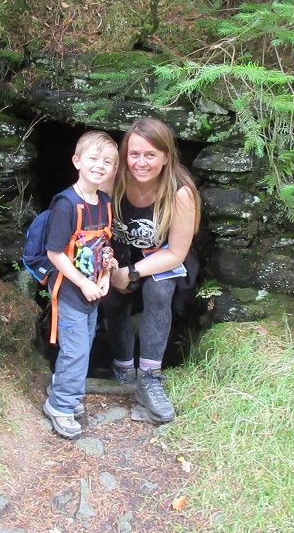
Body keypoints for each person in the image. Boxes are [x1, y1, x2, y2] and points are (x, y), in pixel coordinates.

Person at [101, 118, 201, 423]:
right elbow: (92, 223)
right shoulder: (113, 179)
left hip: (161, 257)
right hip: (118, 252)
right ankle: (123, 368)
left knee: (159, 292)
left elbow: (176, 253)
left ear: (166, 157)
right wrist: (109, 265)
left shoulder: (180, 192)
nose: (140, 163)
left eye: (150, 155)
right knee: (112, 300)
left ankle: (149, 377)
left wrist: (131, 273)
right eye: (134, 154)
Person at [43, 131, 119, 439]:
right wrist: (84, 284)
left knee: (82, 347)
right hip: (70, 291)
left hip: (92, 291)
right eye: (93, 158)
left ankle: (63, 389)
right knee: (76, 351)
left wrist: (105, 277)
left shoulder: (105, 203)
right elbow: (54, 253)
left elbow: (104, 245)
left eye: (108, 162)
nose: (100, 166)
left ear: (114, 169)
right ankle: (60, 405)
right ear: (77, 161)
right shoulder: (67, 204)